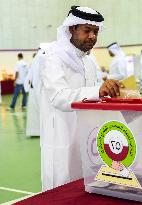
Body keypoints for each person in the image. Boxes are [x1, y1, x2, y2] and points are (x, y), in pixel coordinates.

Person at [39, 6, 122, 191]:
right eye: (87, 31)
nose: (92, 36)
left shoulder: (89, 61)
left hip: (88, 139)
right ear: (72, 29)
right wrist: (97, 91)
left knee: (85, 190)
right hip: (62, 136)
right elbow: (58, 97)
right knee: (62, 189)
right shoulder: (53, 57)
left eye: (95, 31)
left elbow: (97, 95)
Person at [24, 44, 50, 137]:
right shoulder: (42, 57)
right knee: (43, 111)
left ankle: (34, 132)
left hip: (34, 89)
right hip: (41, 89)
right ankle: (42, 132)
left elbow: (30, 76)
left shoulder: (36, 58)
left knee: (34, 113)